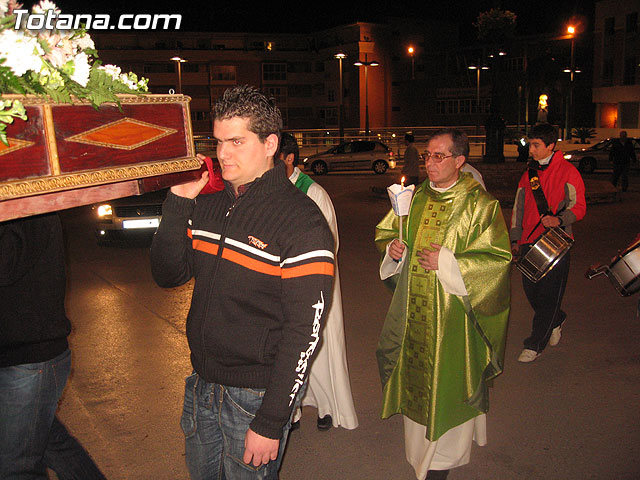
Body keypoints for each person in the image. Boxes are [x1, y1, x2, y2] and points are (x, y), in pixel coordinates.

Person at [150, 85, 335, 479]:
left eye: (237, 141)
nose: (223, 154)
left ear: (270, 143)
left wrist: (271, 420)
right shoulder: (209, 204)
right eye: (218, 141)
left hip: (254, 396)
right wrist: (178, 201)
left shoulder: (301, 221)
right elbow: (167, 275)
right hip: (201, 384)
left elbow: (305, 331)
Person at [375, 128, 512, 480]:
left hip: (454, 322)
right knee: (416, 387)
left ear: (460, 161)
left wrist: (450, 263)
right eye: (427, 156)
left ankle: (442, 465)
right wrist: (394, 250)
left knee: (447, 388)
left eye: (439, 156)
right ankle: (419, 456)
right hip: (415, 317)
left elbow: (497, 261)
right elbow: (390, 232)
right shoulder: (415, 198)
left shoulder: (480, 204)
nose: (430, 162)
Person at [1, 213, 106, 479]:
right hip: (19, 354)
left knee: (16, 467)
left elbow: (6, 262)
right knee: (48, 442)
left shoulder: (30, 203)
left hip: (28, 357)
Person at [277, 132, 358, 432]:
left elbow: (329, 243)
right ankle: (292, 410)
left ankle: (326, 407)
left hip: (313, 283)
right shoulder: (272, 189)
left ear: (289, 159)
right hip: (280, 284)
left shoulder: (314, 194)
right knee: (287, 351)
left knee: (320, 350)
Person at [510, 123, 586, 363]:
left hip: (557, 242)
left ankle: (534, 344)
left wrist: (560, 219)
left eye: (536, 145)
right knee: (532, 291)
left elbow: (580, 207)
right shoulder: (528, 174)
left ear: (551, 146)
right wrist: (515, 238)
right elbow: (518, 208)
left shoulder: (568, 172)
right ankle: (557, 318)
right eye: (530, 144)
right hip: (529, 241)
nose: (531, 150)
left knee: (550, 295)